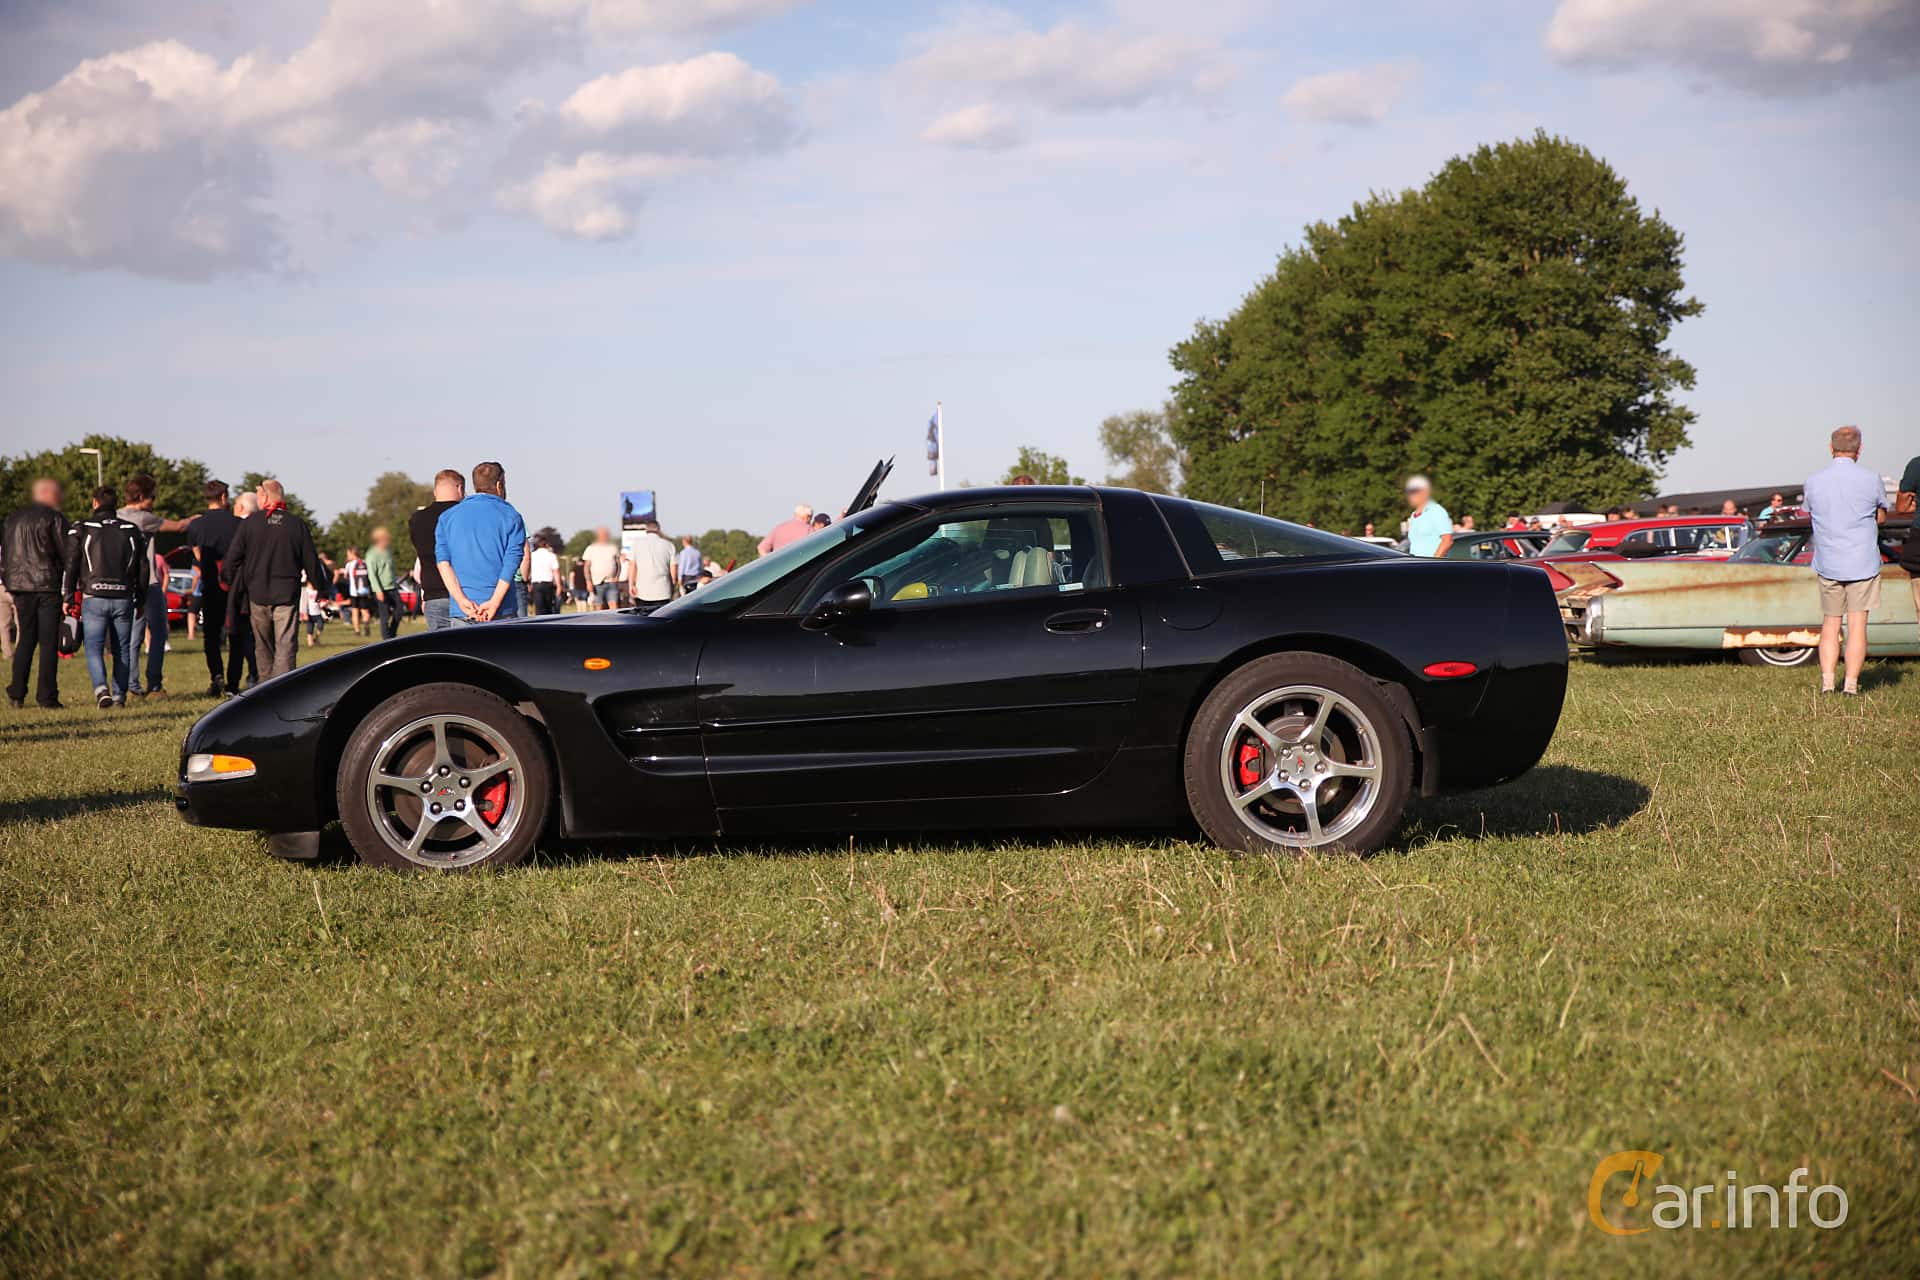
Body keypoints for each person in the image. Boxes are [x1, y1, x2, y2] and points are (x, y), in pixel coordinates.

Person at [1802, 425, 1889, 696]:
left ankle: (1828, 683)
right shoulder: (1871, 479)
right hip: (1862, 561)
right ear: (1859, 449)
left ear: (1831, 447)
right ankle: (1850, 686)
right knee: (1857, 625)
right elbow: (1881, 516)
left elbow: (1810, 513)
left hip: (1829, 561)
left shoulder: (1814, 481)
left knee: (1830, 622)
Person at [224, 479, 331, 681]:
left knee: (262, 644)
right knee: (286, 644)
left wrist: (229, 582)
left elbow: (233, 558)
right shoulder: (296, 524)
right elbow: (311, 562)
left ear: (264, 497)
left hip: (257, 593)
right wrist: (321, 590)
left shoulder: (250, 523)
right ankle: (283, 687)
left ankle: (265, 687)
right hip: (286, 594)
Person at [62, 486, 149, 709]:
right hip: (123, 597)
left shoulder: (82, 528)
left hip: (94, 596)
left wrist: (68, 596)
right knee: (122, 648)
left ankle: (101, 690)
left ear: (95, 503)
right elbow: (143, 567)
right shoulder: (132, 529)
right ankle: (119, 696)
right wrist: (141, 598)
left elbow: (71, 564)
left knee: (94, 647)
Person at [3, 477, 71, 710]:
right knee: (48, 643)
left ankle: (17, 692)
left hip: (20, 586)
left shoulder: (12, 518)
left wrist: (9, 581)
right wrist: (70, 584)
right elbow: (68, 554)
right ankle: (46, 696)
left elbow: (5, 554)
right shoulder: (54, 518)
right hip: (47, 585)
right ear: (50, 495)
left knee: (25, 640)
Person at [435, 461, 526, 626]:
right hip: (502, 610)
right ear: (500, 485)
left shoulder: (447, 518)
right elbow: (511, 563)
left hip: (462, 610)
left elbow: (443, 563)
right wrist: (495, 602)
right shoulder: (511, 516)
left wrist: (461, 600)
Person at [185, 480, 245, 697]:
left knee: (211, 635)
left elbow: (197, 554)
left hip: (210, 586)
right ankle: (233, 682)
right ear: (223, 497)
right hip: (234, 587)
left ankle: (216, 675)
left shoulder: (196, 525)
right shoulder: (238, 523)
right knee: (236, 635)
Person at [407, 469, 464, 632]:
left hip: (433, 593)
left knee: (441, 651)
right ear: (459, 488)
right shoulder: (463, 515)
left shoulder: (417, 519)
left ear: (435, 491)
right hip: (462, 592)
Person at [629, 519, 676, 607]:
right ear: (658, 529)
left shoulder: (636, 544)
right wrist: (673, 585)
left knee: (643, 619)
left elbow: (632, 566)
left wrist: (631, 585)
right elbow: (673, 569)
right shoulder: (669, 545)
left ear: (646, 530)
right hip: (663, 590)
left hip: (642, 591)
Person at [1403, 476, 1453, 558]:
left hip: (1432, 567)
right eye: (1409, 492)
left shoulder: (1436, 510)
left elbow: (1447, 541)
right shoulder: (1413, 515)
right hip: (1416, 565)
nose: (1410, 496)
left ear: (1425, 492)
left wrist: (1433, 563)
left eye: (1414, 492)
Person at [367, 526, 400, 639]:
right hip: (381, 589)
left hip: (393, 587)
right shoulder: (371, 554)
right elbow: (372, 574)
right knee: (385, 616)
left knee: (399, 611)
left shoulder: (388, 552)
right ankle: (387, 639)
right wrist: (378, 590)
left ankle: (392, 633)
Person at [580, 527, 620, 610]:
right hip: (597, 583)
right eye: (602, 534)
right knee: (599, 607)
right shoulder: (591, 548)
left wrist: (617, 577)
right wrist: (588, 582)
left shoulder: (613, 548)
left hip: (611, 581)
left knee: (614, 606)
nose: (604, 536)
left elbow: (618, 564)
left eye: (605, 534)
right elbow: (586, 567)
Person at [528, 535, 562, 615]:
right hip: (548, 583)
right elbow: (556, 572)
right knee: (549, 607)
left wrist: (528, 583)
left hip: (536, 583)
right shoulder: (551, 556)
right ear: (547, 544)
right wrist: (559, 586)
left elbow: (529, 570)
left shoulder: (533, 556)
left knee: (539, 608)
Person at [343, 547, 372, 635]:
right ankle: (366, 627)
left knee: (355, 611)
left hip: (354, 592)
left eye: (348, 554)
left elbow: (345, 576)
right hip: (365, 591)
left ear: (352, 554)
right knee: (365, 611)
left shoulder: (349, 565)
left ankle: (357, 630)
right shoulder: (365, 562)